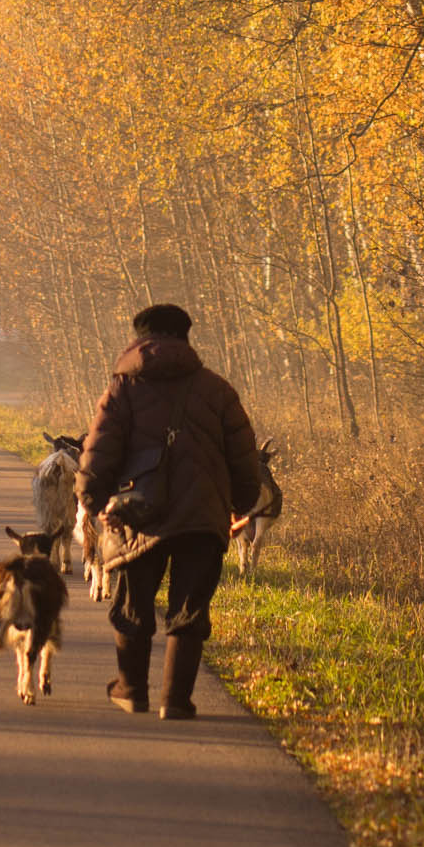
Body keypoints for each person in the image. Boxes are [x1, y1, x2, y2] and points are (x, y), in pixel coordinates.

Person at [76, 300, 265, 722]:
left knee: (132, 606)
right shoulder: (217, 389)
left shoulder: (123, 388)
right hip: (202, 515)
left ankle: (131, 691)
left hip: (138, 514)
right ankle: (176, 700)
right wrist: (242, 501)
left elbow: (100, 449)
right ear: (185, 337)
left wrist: (92, 499)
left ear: (139, 339)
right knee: (189, 609)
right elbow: (243, 452)